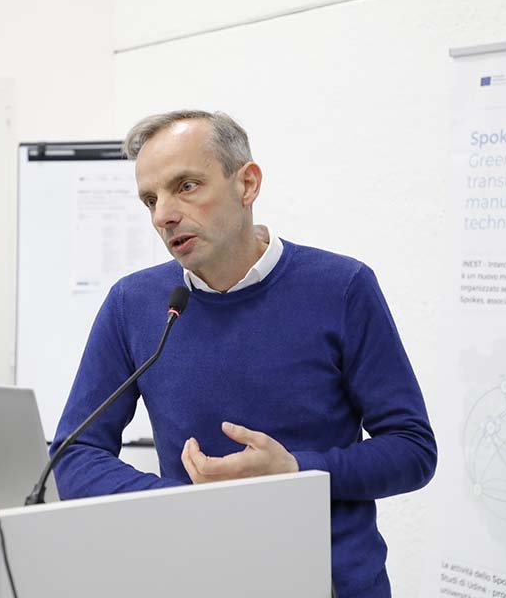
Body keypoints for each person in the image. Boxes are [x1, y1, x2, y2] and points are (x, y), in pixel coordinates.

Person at [50, 110, 437, 598]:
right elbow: (74, 454)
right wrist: (184, 503)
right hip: (194, 579)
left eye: (186, 186)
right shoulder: (133, 303)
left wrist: (294, 471)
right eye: (150, 199)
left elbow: (412, 449)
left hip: (331, 582)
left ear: (247, 184)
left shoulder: (342, 287)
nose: (163, 215)